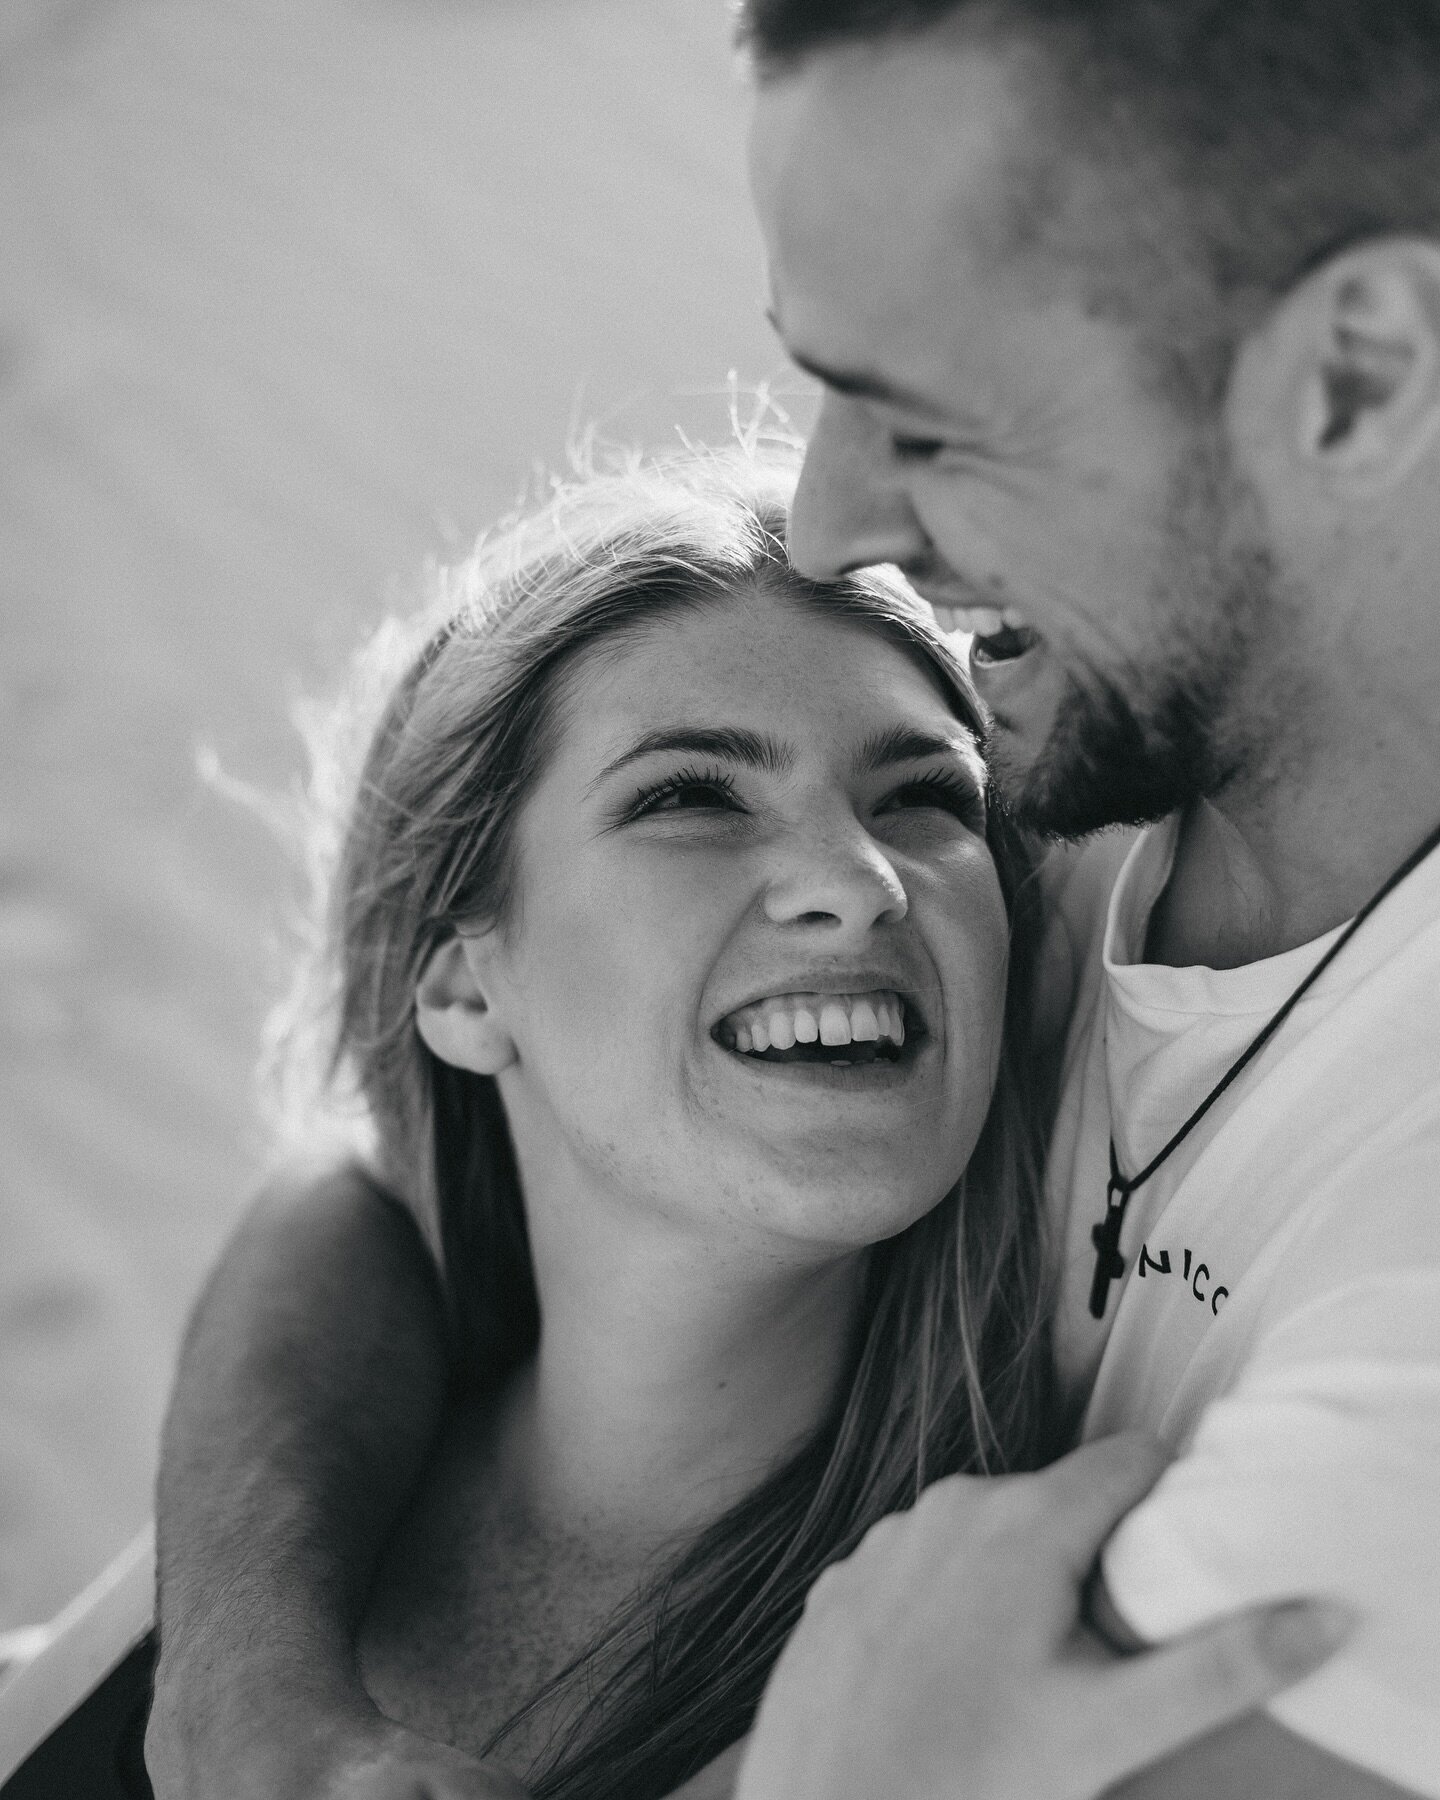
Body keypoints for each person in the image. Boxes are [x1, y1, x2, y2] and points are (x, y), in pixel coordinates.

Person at [147, 0, 1440, 1795]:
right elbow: (373, 1166)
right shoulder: (1056, 784)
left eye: (926, 419)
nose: (831, 521)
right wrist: (241, 1689)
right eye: (820, 380)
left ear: (1360, 374)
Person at [136, 450, 1339, 1800]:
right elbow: (336, 1180)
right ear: (467, 983)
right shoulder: (289, 1514)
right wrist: (239, 1686)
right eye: (691, 796)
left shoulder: (975, 1672)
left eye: (925, 801)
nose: (858, 880)